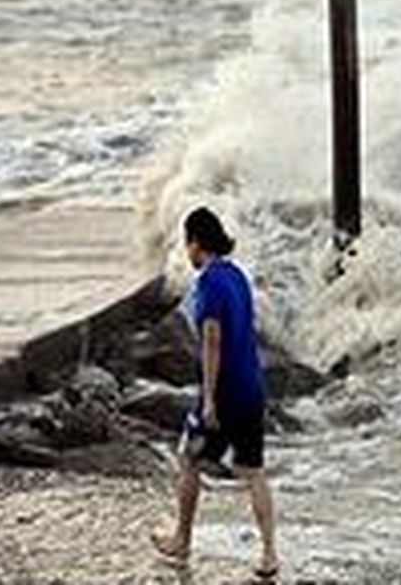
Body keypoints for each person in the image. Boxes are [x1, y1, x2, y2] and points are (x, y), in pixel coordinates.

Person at [152, 207, 279, 580]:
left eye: (186, 244)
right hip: (252, 387)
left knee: (188, 458)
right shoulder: (237, 275)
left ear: (196, 242)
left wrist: (209, 399)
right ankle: (270, 554)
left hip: (224, 392)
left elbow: (212, 339)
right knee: (254, 471)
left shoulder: (207, 282)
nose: (185, 252)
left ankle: (182, 540)